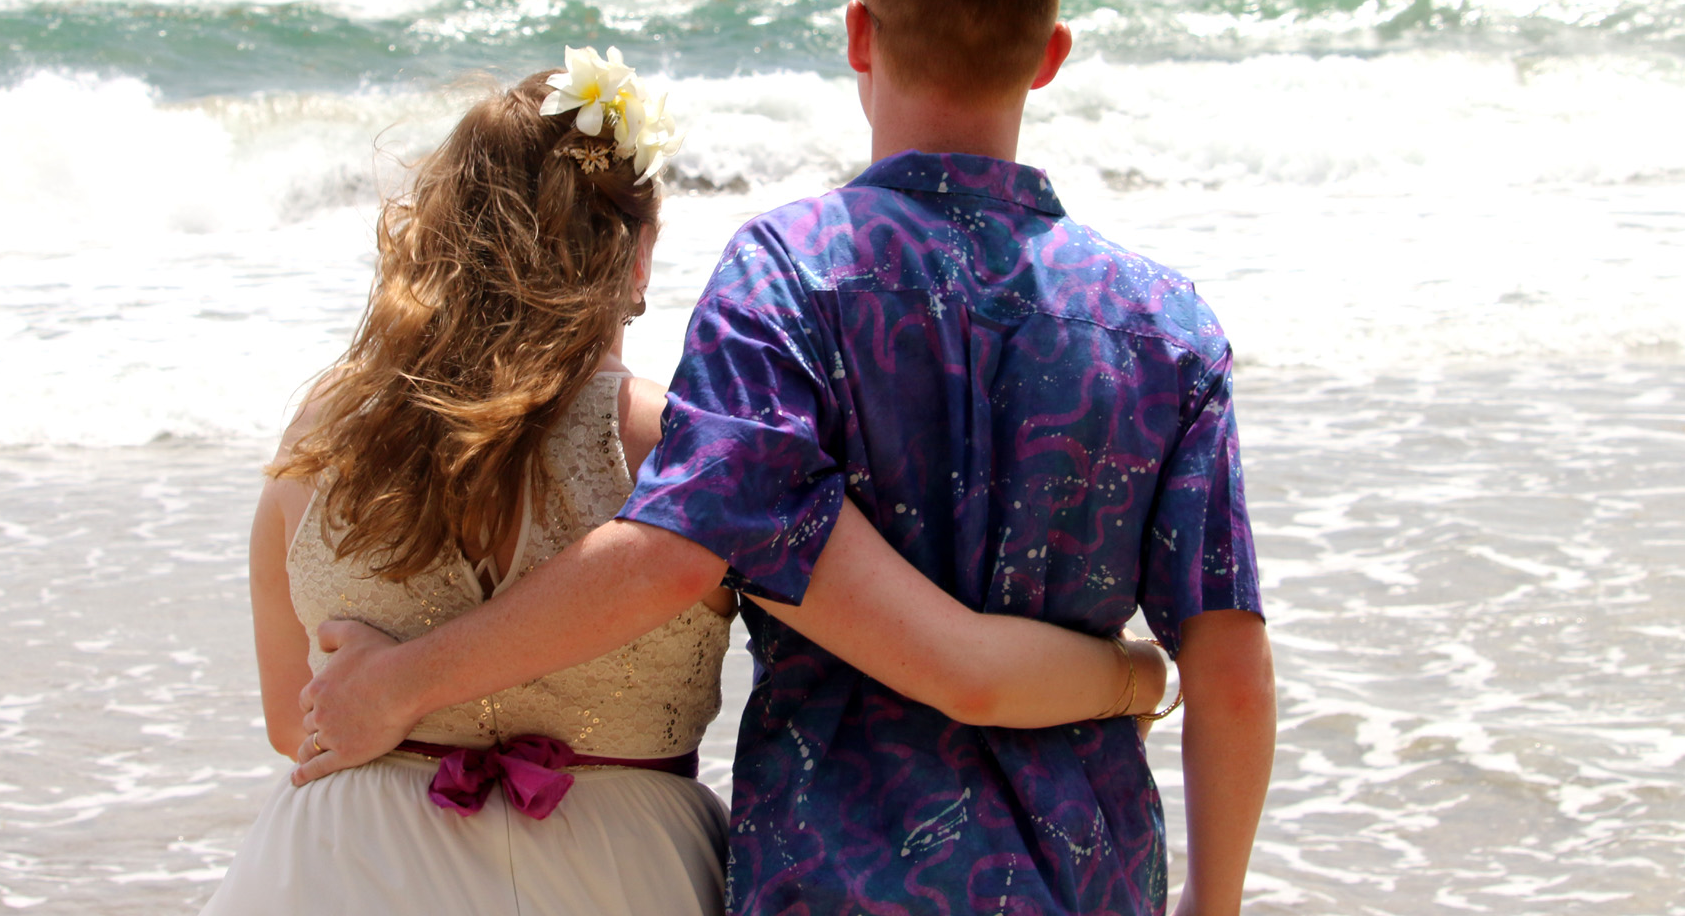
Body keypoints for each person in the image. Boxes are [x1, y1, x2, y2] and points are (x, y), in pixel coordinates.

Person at [293, 0, 1275, 916]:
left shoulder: (787, 275)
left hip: (836, 879)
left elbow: (676, 548)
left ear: (859, 34)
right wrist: (1213, 901)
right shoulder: (1165, 327)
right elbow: (1228, 670)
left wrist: (400, 683)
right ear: (1050, 57)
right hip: (1086, 876)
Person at [204, 56, 1170, 916]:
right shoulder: (686, 451)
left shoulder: (323, 436)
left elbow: (299, 724)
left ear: (445, 233)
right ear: (638, 255)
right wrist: (1137, 676)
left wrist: (404, 693)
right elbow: (955, 668)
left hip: (338, 868)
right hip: (617, 873)